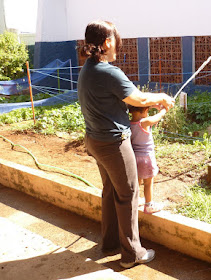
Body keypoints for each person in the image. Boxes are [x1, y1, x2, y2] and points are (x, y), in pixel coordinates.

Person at [77, 20, 174, 269]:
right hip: (113, 144)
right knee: (129, 193)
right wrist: (161, 97)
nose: (118, 45)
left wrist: (151, 103)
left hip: (95, 140)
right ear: (108, 42)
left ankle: (110, 242)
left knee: (110, 190)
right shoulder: (108, 71)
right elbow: (138, 98)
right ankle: (132, 254)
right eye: (116, 41)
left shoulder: (88, 68)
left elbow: (130, 99)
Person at [128, 105, 166, 214]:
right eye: (148, 110)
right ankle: (149, 205)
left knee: (137, 181)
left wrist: (151, 105)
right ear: (145, 110)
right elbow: (157, 117)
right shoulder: (144, 122)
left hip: (134, 157)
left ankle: (135, 200)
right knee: (148, 182)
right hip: (146, 158)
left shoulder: (129, 123)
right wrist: (163, 110)